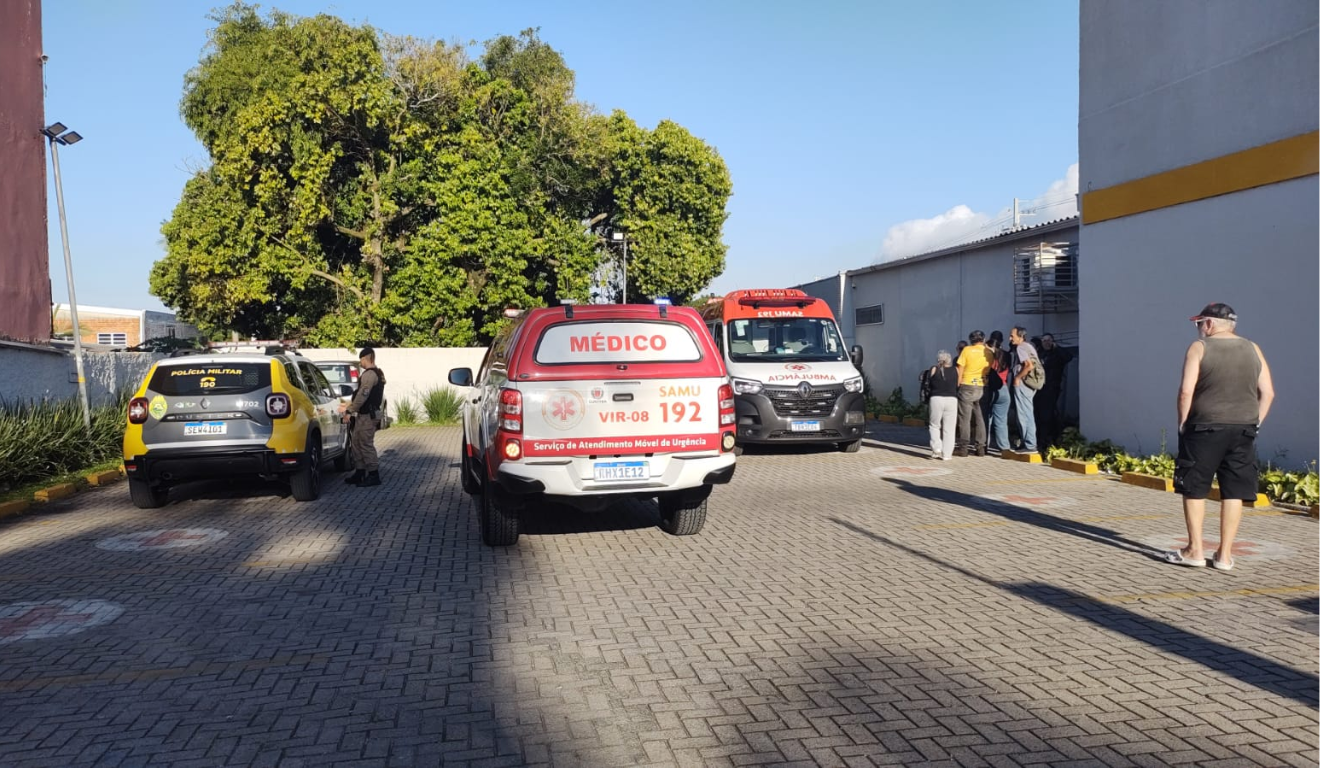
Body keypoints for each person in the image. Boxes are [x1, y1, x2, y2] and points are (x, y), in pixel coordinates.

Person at [1164, 303, 1274, 571]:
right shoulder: (1253, 348)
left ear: (1210, 324)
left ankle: (1195, 551)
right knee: (1234, 491)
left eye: (1199, 323)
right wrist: (1255, 422)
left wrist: (1182, 423)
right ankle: (1224, 556)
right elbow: (1268, 393)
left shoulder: (1199, 348)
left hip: (1204, 428)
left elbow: (1185, 392)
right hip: (1244, 429)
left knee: (1194, 488)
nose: (1199, 329)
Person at [339, 347, 387, 487]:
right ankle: (360, 472)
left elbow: (362, 395)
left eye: (361, 360)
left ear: (367, 358)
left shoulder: (370, 375)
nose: (361, 364)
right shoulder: (375, 373)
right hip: (364, 415)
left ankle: (373, 475)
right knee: (356, 443)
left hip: (368, 415)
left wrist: (350, 410)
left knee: (365, 444)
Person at [1035, 333, 1075, 449]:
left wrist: (1057, 348)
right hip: (1039, 388)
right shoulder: (1040, 354)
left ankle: (1047, 440)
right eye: (1044, 341)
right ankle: (1041, 439)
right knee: (1039, 414)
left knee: (1047, 415)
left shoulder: (1057, 354)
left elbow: (1068, 357)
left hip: (1052, 388)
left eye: (1049, 341)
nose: (1046, 343)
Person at [954, 331, 992, 457]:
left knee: (965, 418)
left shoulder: (967, 350)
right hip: (981, 385)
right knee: (980, 418)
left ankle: (963, 447)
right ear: (983, 339)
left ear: (971, 340)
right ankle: (981, 447)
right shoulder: (989, 352)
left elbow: (960, 369)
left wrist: (957, 386)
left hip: (967, 385)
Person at [1009, 326, 1040, 454]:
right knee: (1027, 412)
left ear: (1020, 336)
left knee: (1024, 413)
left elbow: (1029, 365)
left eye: (1012, 336)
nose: (1010, 338)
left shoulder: (1021, 347)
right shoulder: (1029, 346)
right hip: (1030, 384)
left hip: (1023, 383)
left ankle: (1030, 444)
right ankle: (1028, 442)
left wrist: (1017, 378)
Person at [926, 350, 959, 460]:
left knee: (934, 425)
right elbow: (958, 384)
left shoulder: (934, 369)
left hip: (936, 399)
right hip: (952, 399)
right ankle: (947, 454)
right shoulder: (956, 370)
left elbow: (929, 384)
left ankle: (937, 448)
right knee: (949, 428)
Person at [982, 331, 1012, 454]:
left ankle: (984, 445)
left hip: (989, 388)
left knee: (986, 419)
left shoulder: (988, 356)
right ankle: (1004, 447)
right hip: (1004, 388)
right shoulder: (1007, 355)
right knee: (1001, 420)